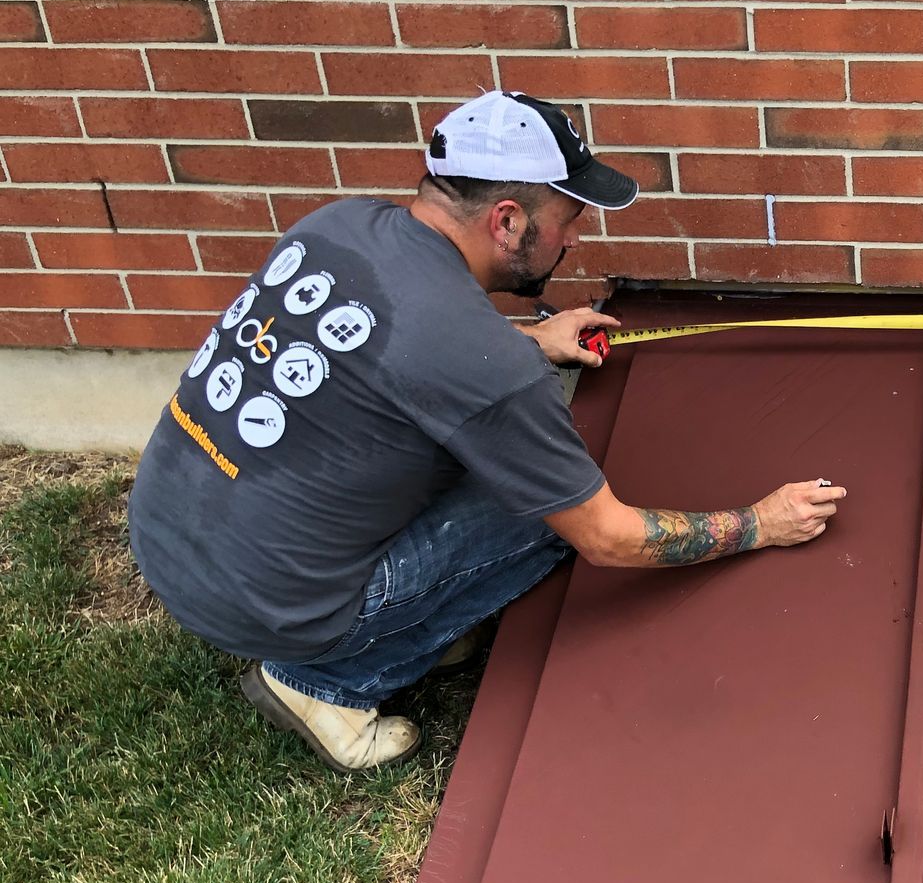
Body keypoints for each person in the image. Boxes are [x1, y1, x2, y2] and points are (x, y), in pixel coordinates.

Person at [129, 90, 846, 774]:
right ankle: (326, 684)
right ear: (507, 221)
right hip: (270, 607)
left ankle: (414, 613)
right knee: (544, 513)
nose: (576, 236)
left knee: (491, 464)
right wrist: (759, 523)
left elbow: (391, 350)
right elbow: (610, 538)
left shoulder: (338, 225)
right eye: (569, 217)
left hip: (169, 534)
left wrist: (530, 340)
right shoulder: (490, 368)